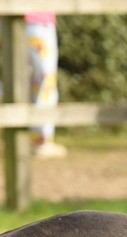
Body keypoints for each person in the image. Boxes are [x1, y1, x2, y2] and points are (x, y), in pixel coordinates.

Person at [26, 12, 66, 159]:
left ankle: (35, 139)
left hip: (10, 20)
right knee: (45, 81)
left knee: (20, 81)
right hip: (38, 22)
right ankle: (41, 140)